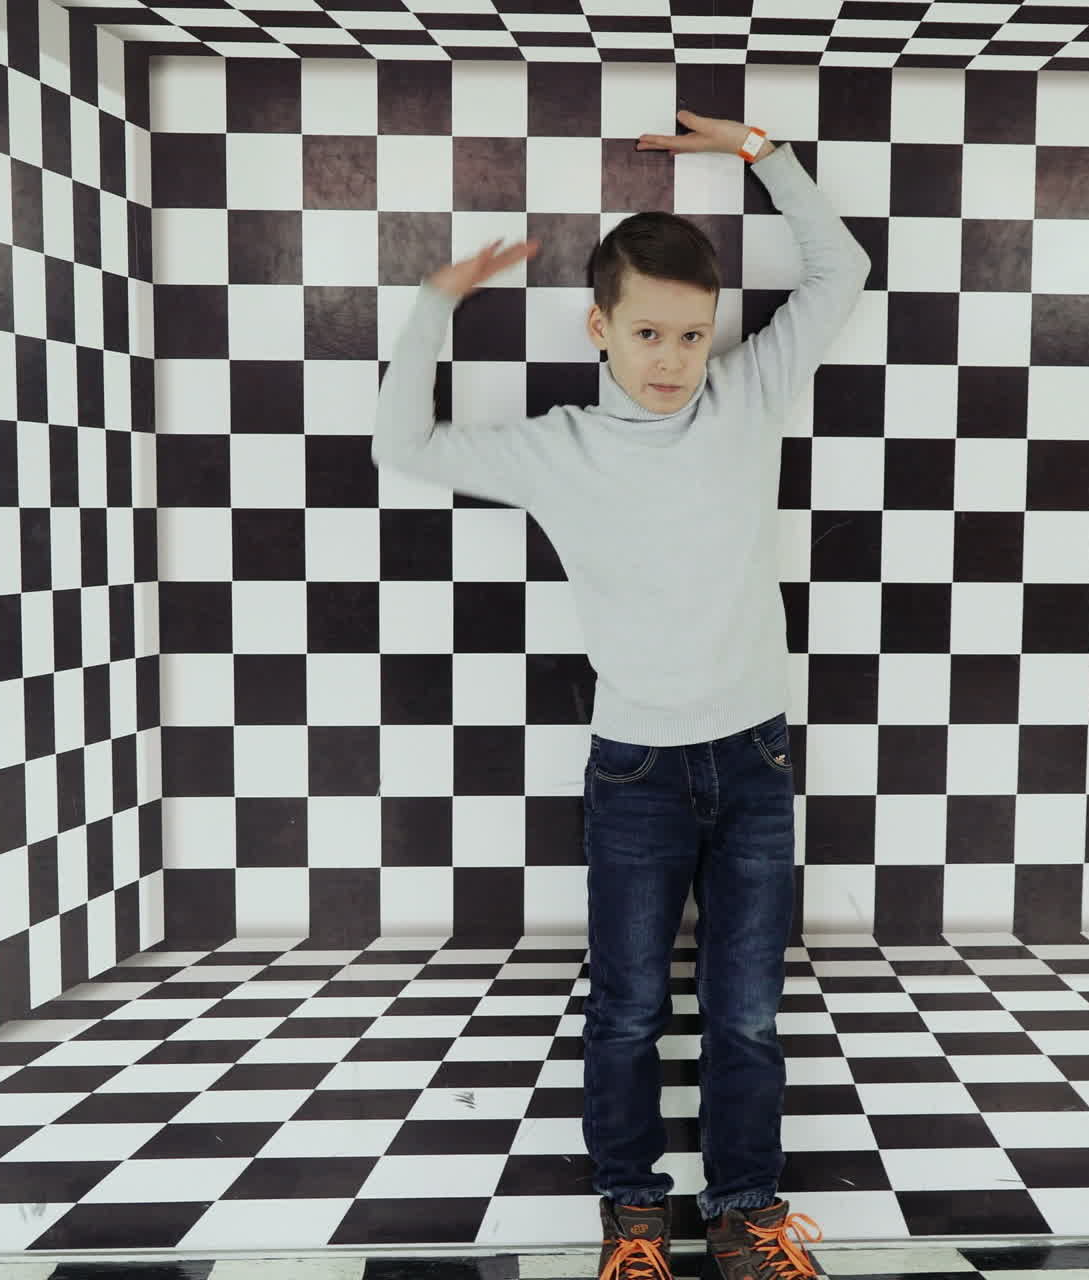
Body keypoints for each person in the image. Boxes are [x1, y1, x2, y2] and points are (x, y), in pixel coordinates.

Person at [373, 108, 870, 1280]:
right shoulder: (557, 448)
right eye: (646, 331)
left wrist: (758, 152)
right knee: (628, 1011)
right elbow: (404, 440)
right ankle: (632, 1214)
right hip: (635, 772)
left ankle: (746, 1211)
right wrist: (436, 302)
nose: (670, 358)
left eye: (691, 335)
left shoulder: (747, 395)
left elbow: (839, 267)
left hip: (753, 761)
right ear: (599, 327)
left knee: (747, 1014)